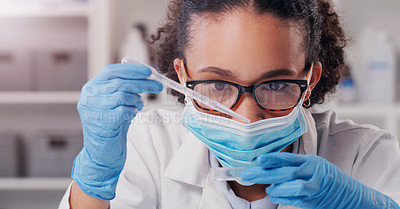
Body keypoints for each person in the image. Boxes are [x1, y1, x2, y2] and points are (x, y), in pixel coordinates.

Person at [59, 0, 400, 208]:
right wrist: (95, 178)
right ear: (182, 75)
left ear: (309, 80)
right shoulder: (148, 148)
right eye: (219, 84)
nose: (247, 118)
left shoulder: (366, 154)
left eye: (277, 84)